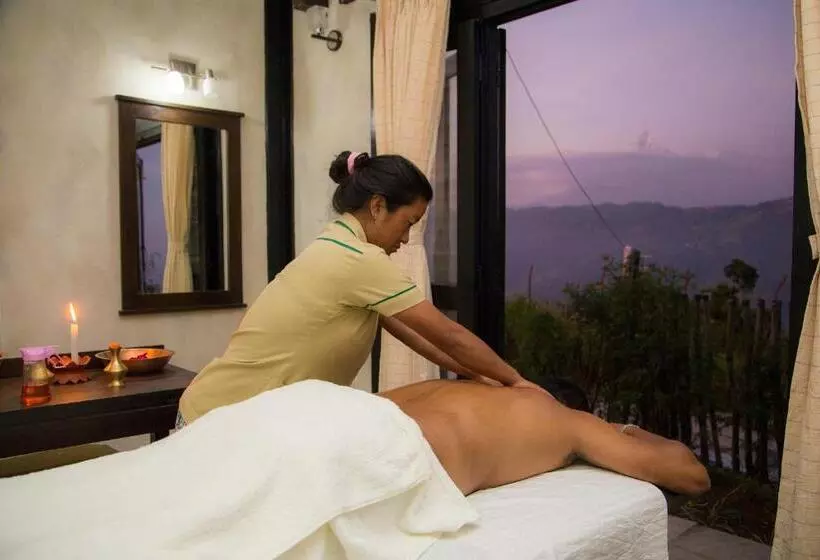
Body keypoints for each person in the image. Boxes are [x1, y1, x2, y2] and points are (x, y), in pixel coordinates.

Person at [178, 151, 541, 424]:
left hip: (227, 409)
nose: (406, 238)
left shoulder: (337, 244)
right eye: (408, 222)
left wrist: (479, 374)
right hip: (221, 416)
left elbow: (419, 336)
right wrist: (518, 381)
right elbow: (449, 334)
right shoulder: (358, 259)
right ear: (378, 206)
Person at [380, 379, 711, 497]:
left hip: (359, 412)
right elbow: (694, 477)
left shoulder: (460, 387)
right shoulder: (564, 417)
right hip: (408, 453)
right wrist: (622, 430)